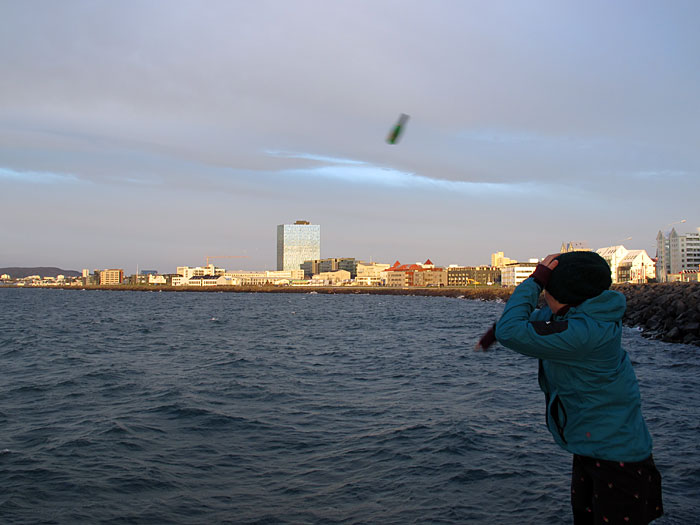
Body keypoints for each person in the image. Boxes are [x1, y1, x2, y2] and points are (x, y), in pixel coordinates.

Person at [476, 251, 663, 524]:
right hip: (596, 446)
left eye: (547, 290)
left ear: (559, 294)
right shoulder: (586, 313)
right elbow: (530, 321)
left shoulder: (584, 333)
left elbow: (513, 331)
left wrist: (535, 280)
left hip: (617, 461)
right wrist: (491, 334)